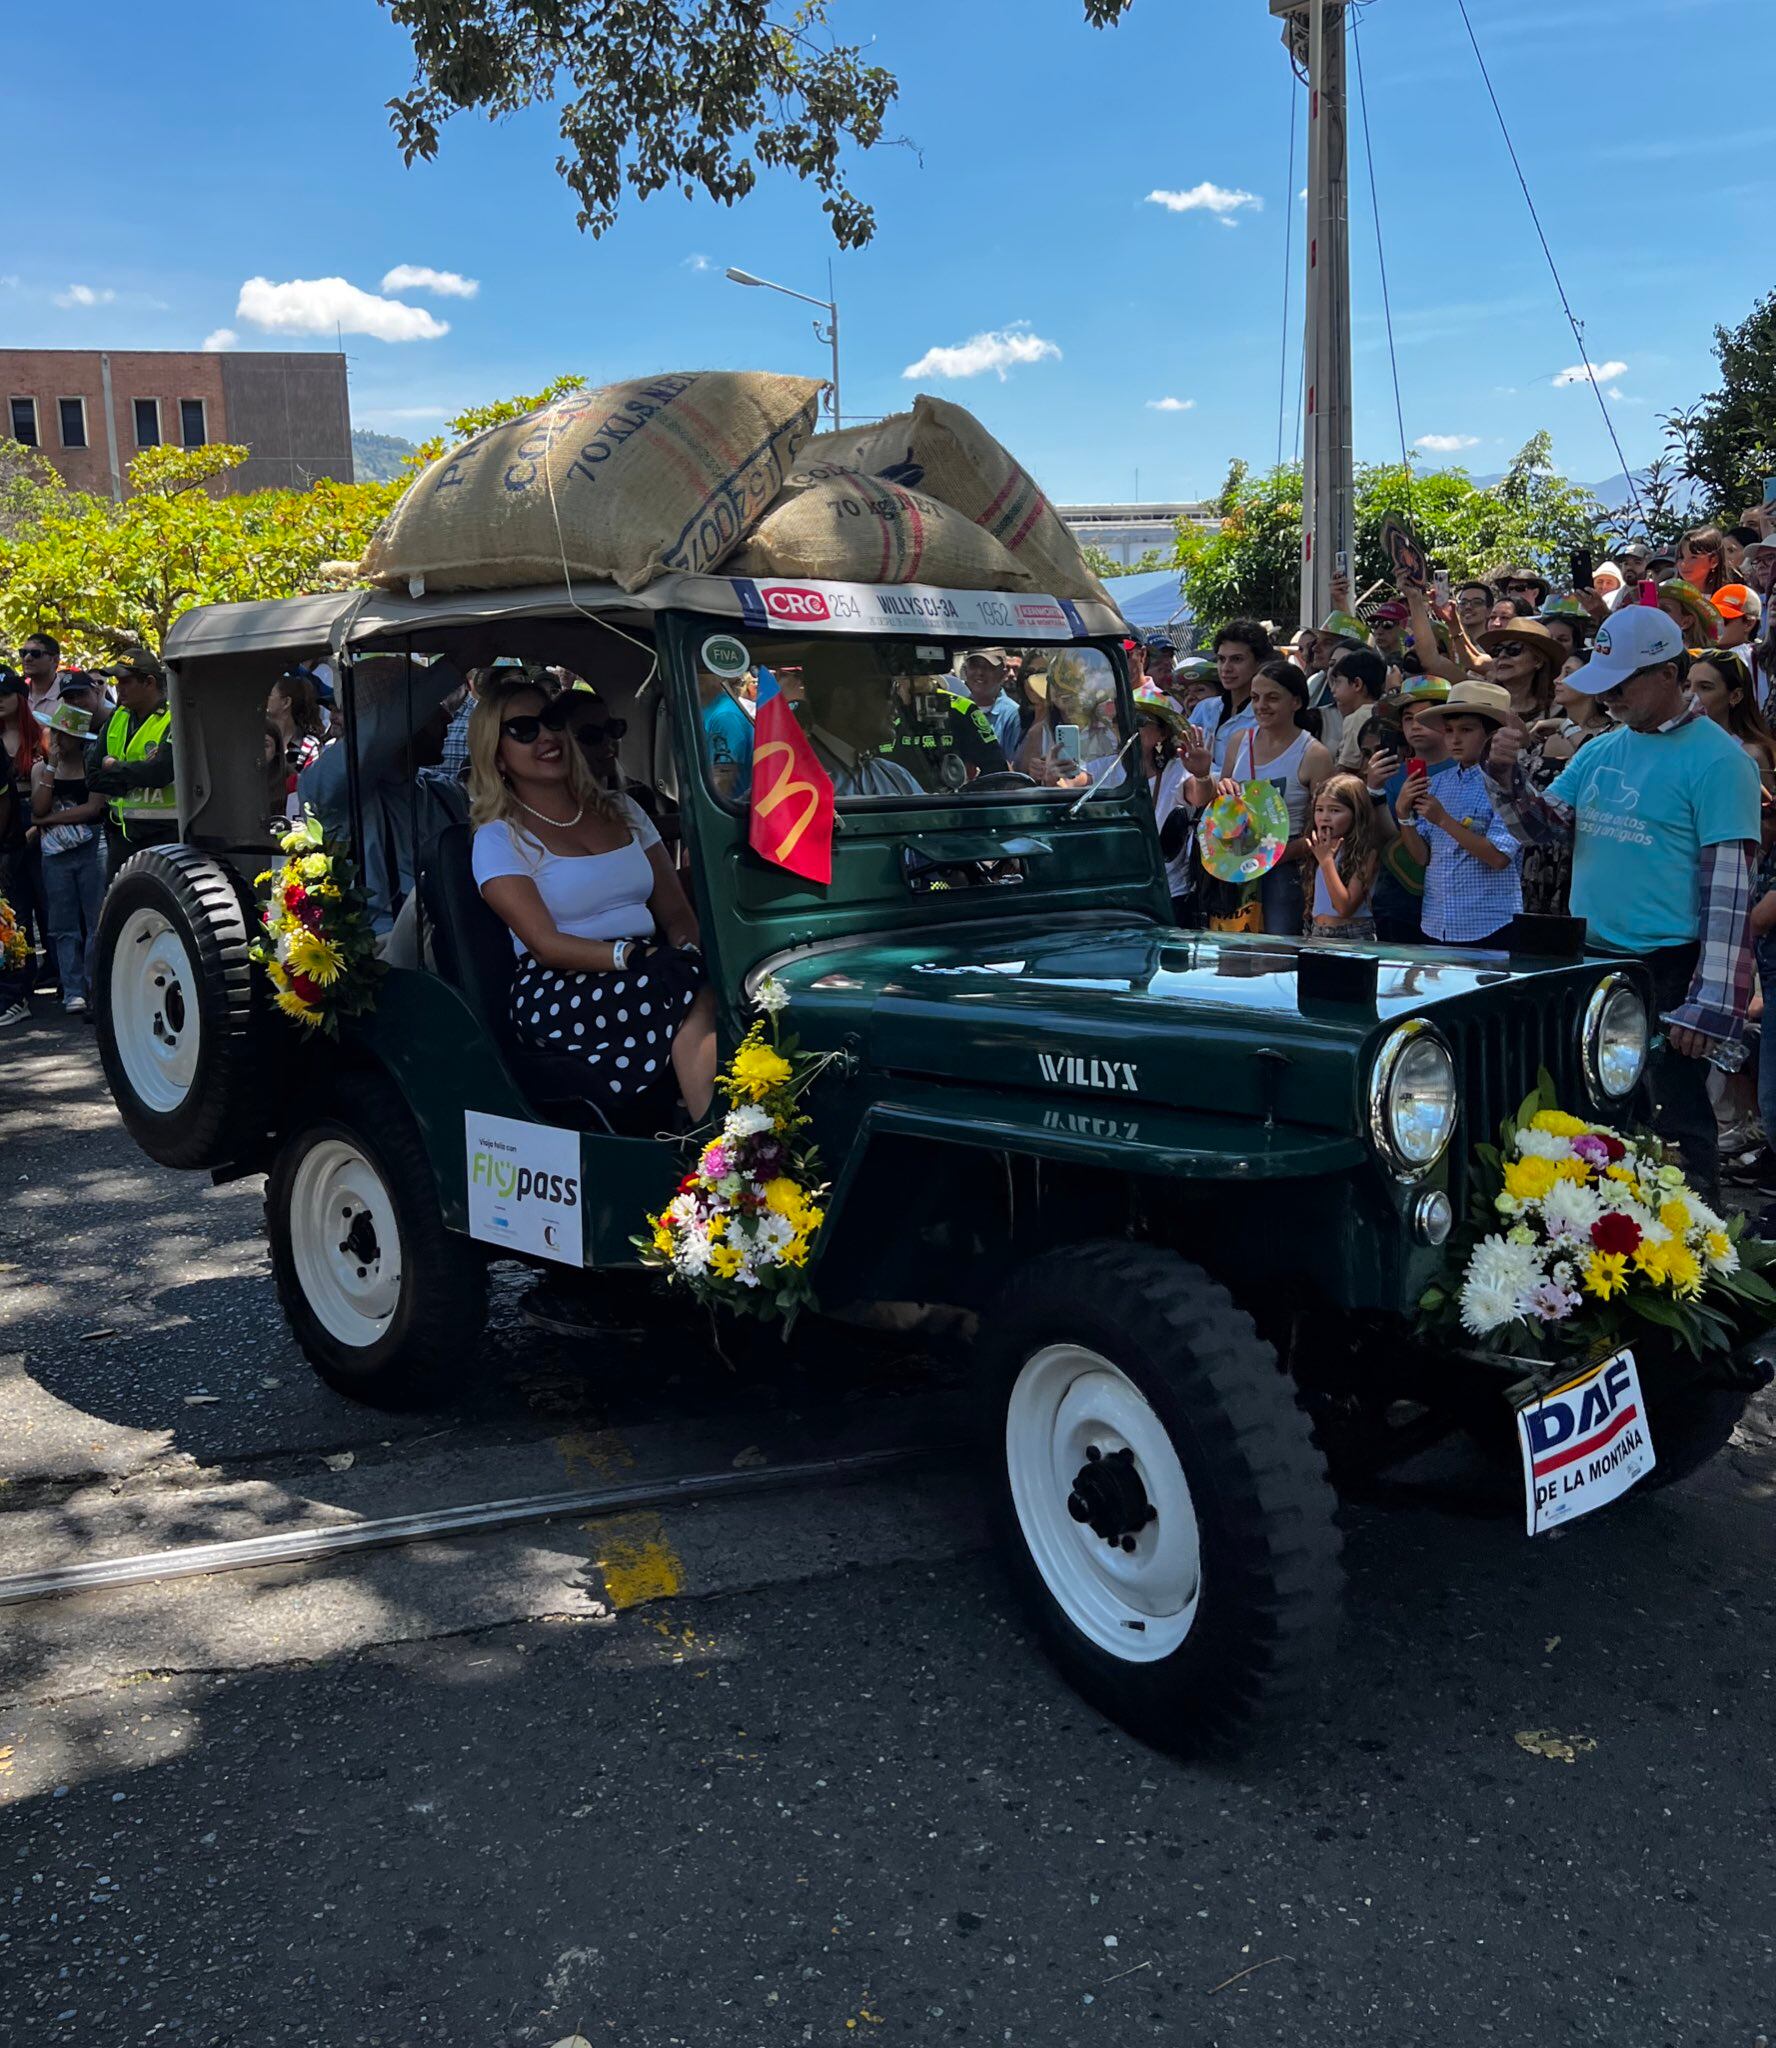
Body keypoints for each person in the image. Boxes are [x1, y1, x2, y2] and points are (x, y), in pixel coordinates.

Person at [1487, 605, 1760, 1200]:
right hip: (1591, 958)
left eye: (1621, 683)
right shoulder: (1602, 749)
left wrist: (1710, 1004)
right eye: (1603, 683)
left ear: (1669, 674)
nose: (1608, 695)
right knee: (1598, 1122)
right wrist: (1506, 778)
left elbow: (1729, 893)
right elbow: (1544, 830)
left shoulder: (1721, 761)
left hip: (1668, 970)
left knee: (1673, 1122)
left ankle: (1697, 1247)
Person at [468, 675, 716, 1117]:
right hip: (559, 984)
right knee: (692, 989)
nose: (545, 736)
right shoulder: (498, 837)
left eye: (551, 721)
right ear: (498, 756)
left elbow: (676, 912)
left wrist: (687, 952)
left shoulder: (625, 810)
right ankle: (723, 1145)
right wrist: (635, 958)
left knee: (735, 981)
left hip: (647, 964)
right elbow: (545, 945)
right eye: (523, 730)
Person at [298, 652, 469, 940]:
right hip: (380, 956)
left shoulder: (446, 792)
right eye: (428, 707)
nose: (448, 717)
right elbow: (375, 735)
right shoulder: (330, 794)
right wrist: (460, 662)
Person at [1183, 656, 1334, 936]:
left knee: (1276, 951)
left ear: (1296, 702)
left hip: (1284, 870)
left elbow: (1325, 829)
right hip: (1233, 863)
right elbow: (1211, 805)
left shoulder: (1314, 754)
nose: (1261, 705)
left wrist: (1276, 856)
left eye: (1272, 698)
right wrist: (1204, 776)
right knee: (1230, 950)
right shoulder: (1239, 741)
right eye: (1255, 697)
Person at [1392, 681, 1523, 949]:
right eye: (1449, 730)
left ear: (1493, 735)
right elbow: (1422, 856)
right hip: (1435, 922)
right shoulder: (1438, 783)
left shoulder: (1511, 784)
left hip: (1490, 924)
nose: (1455, 739)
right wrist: (1403, 813)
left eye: (1466, 730)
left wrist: (1443, 820)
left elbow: (1498, 857)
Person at [28, 700, 105, 1013]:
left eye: (66, 734)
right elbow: (38, 807)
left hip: (91, 846)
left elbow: (93, 808)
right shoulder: (41, 768)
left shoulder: (92, 765)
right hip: (55, 852)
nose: (59, 739)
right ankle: (72, 989)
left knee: (95, 919)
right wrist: (51, 767)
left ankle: (95, 984)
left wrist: (48, 821)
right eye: (55, 732)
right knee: (63, 922)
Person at [1366, 681, 1455, 944]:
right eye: (1407, 718)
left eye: (1425, 717)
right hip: (1399, 894)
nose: (1415, 725)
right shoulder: (1391, 774)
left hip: (1453, 895)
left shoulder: (1466, 769)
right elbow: (1388, 842)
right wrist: (1374, 790)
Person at [87, 648, 176, 872]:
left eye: (126, 681)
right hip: (121, 837)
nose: (119, 688)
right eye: (117, 681)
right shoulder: (118, 716)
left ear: (149, 682)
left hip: (165, 837)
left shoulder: (173, 717)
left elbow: (161, 773)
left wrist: (114, 766)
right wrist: (136, 773)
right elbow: (93, 776)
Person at [800, 650, 923, 797]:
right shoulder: (794, 781)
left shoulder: (897, 777)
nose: (896, 705)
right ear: (843, 700)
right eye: (887, 691)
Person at [885, 671, 1005, 791]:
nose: (915, 685)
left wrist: (966, 796)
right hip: (890, 800)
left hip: (949, 800)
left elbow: (996, 768)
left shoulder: (961, 709)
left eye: (918, 676)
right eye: (906, 678)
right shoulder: (882, 711)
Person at [1688, 650, 1776, 792]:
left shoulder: (1749, 754)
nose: (1690, 695)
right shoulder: (1680, 741)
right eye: (1687, 686)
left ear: (1735, 696)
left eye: (1705, 687)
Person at [1306, 772, 1380, 939]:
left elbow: (1345, 908)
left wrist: (1327, 861)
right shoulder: (1318, 845)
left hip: (1351, 934)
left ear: (1356, 813)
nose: (1324, 818)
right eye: (1319, 810)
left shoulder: (1367, 853)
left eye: (1335, 810)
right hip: (1317, 932)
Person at [1207, 620, 1272, 772]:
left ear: (1259, 662)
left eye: (1236, 659)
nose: (1226, 668)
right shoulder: (1205, 708)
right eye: (1221, 659)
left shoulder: (1266, 717)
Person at [266, 668, 328, 817]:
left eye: (269, 694)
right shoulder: (257, 739)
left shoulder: (309, 745)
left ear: (286, 702)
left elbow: (309, 787)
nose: (263, 698)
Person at [699, 666, 755, 803]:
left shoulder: (725, 716)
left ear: (718, 676)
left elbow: (723, 782)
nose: (696, 675)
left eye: (701, 670)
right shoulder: (711, 710)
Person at [958, 648, 1024, 760]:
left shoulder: (1013, 714)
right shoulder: (956, 709)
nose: (980, 672)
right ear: (965, 671)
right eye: (974, 665)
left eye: (987, 667)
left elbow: (1013, 765)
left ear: (1002, 674)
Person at [1327, 646, 1387, 768]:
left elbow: (1346, 769)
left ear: (1357, 684)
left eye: (1337, 682)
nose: (1333, 690)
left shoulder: (1357, 718)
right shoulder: (1384, 711)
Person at [17, 633, 62, 724]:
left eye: (36, 653)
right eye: (23, 653)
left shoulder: (70, 698)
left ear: (55, 660)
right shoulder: (16, 695)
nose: (27, 658)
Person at [1676, 526, 1729, 597]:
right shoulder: (1668, 596)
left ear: (1714, 561)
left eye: (1693, 557)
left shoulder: (1727, 598)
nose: (1683, 564)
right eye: (1681, 557)